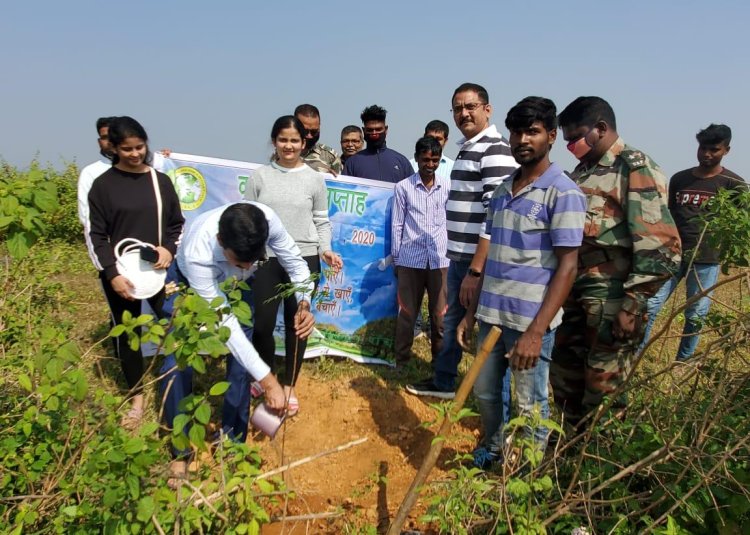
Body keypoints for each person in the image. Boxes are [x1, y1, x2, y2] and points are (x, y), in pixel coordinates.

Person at [457, 97, 586, 469]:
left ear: (551, 136)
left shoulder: (562, 193)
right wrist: (471, 314)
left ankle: (524, 477)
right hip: (492, 316)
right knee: (485, 393)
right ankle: (494, 451)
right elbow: (491, 255)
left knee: (529, 404)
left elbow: (567, 267)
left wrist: (536, 331)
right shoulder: (502, 191)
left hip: (531, 323)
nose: (522, 140)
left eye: (532, 131)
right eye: (516, 132)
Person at [551, 96, 681, 429]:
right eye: (566, 140)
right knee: (566, 373)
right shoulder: (583, 172)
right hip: (574, 290)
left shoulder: (633, 167)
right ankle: (571, 451)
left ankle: (602, 462)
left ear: (601, 129)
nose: (571, 146)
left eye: (576, 137)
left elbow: (661, 245)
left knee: (603, 381)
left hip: (612, 295)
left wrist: (633, 304)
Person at [406, 82, 518, 403]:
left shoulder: (494, 150)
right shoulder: (468, 148)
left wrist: (476, 271)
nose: (463, 113)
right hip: (460, 259)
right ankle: (444, 381)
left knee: (485, 333)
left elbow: (495, 215)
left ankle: (494, 406)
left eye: (470, 107)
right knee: (452, 319)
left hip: (478, 264)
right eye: (457, 108)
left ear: (487, 109)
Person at [86, 116, 184, 428]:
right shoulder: (102, 186)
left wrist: (168, 249)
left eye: (140, 147)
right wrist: (112, 273)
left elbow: (175, 223)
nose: (134, 154)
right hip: (121, 273)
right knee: (129, 334)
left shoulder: (160, 182)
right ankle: (137, 399)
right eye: (127, 149)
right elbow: (97, 236)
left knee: (173, 325)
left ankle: (174, 391)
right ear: (113, 148)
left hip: (158, 271)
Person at [244, 115, 343, 414]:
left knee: (296, 324)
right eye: (283, 140)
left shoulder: (314, 179)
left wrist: (325, 250)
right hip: (267, 259)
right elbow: (248, 219)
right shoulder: (259, 176)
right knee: (261, 325)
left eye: (294, 140)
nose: (289, 146)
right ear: (274, 141)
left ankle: (290, 387)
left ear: (304, 143)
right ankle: (266, 378)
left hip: (305, 257)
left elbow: (321, 221)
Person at [641, 124, 747, 360]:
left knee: (696, 314)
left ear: (726, 150)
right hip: (672, 256)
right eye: (702, 148)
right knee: (650, 306)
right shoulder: (680, 179)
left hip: (707, 260)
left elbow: (740, 223)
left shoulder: (734, 185)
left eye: (714, 150)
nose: (707, 154)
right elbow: (668, 215)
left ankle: (683, 362)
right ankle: (637, 355)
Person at [391, 136, 449, 364]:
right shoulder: (403, 187)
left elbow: (451, 221)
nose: (430, 164)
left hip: (440, 260)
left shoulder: (447, 186)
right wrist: (397, 259)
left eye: (435, 160)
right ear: (416, 159)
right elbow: (397, 224)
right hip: (409, 260)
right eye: (425, 160)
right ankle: (402, 360)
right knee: (406, 313)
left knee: (440, 316)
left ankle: (440, 363)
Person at [342, 105, 413, 183]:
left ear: (386, 130)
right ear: (364, 130)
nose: (374, 133)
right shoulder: (352, 163)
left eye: (378, 129)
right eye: (370, 130)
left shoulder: (401, 161)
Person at [294, 104, 342, 175]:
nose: (309, 136)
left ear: (319, 127)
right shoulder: (283, 154)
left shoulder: (330, 156)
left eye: (314, 131)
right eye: (305, 131)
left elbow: (338, 184)